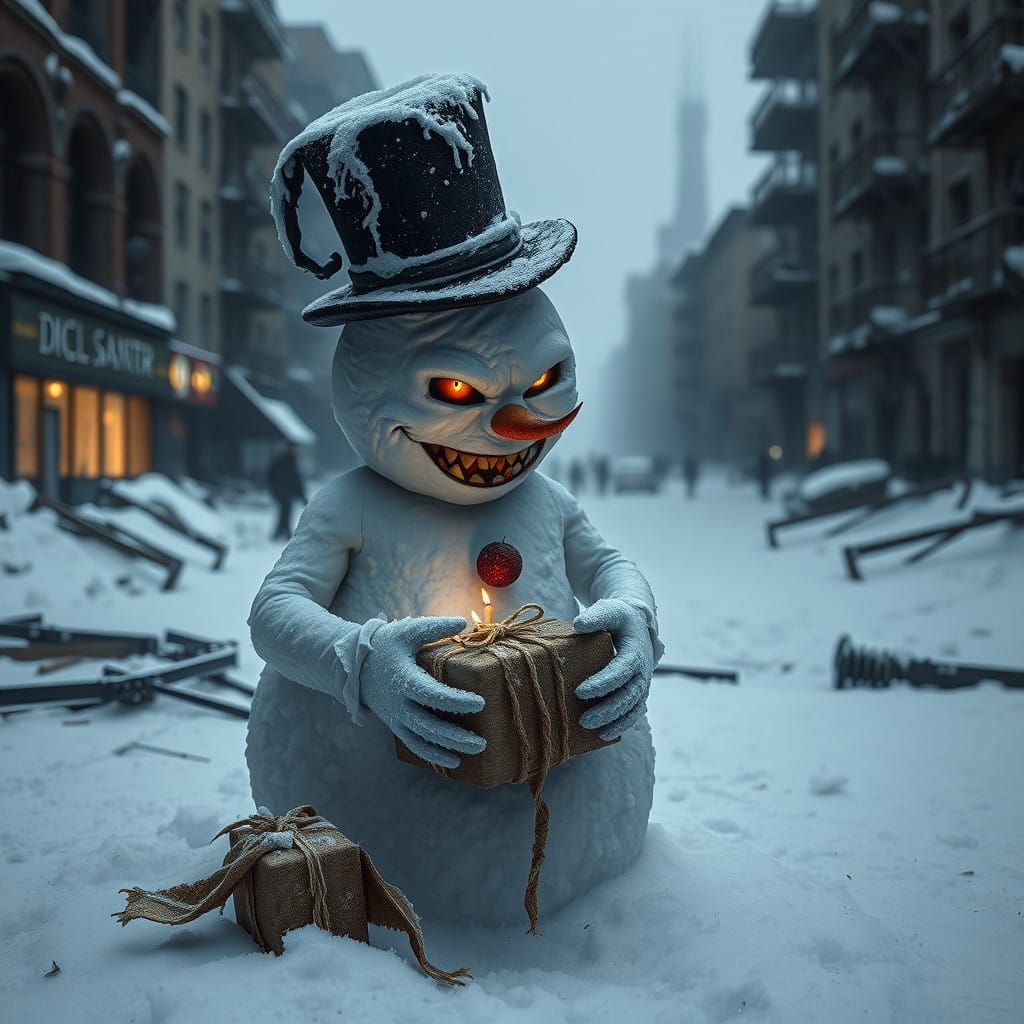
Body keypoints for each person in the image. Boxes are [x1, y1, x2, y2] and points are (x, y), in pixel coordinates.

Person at [267, 442, 306, 540]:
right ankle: (281, 533)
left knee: (285, 513)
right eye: (294, 448)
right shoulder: (284, 460)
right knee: (285, 513)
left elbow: (296, 480)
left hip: (288, 493)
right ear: (289, 448)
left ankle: (281, 533)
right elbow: (271, 474)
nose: (296, 450)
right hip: (284, 492)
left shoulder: (291, 460)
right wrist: (275, 489)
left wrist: (301, 495)